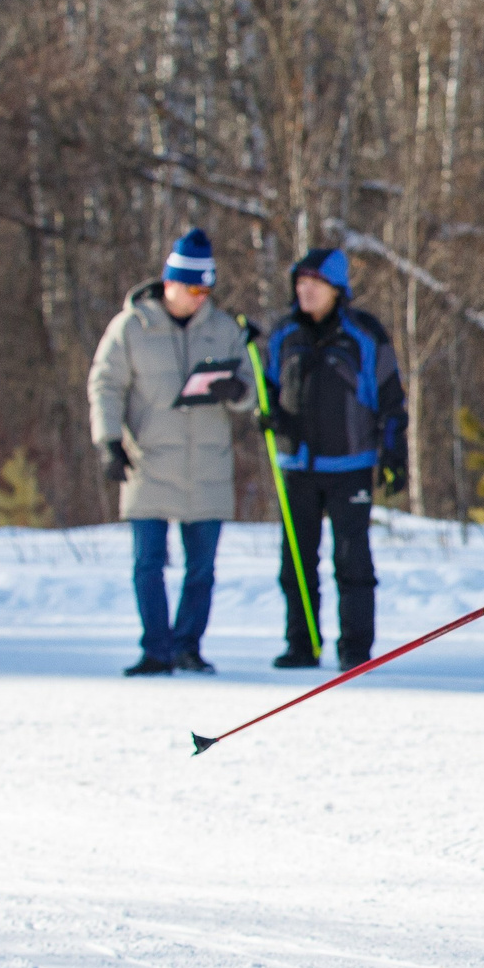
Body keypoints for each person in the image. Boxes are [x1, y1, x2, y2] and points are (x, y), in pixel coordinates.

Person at [87, 228, 254, 676]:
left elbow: (252, 391)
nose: (202, 297)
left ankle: (188, 646)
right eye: (194, 288)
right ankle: (156, 649)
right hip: (150, 461)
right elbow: (105, 383)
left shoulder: (224, 329)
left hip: (208, 466)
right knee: (148, 564)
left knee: (202, 569)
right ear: (171, 283)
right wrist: (108, 442)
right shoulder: (132, 327)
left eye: (208, 289)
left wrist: (238, 389)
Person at [262, 247, 408, 672]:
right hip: (296, 468)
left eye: (314, 284)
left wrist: (394, 453)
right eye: (299, 283)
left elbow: (391, 400)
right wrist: (267, 413)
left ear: (336, 289)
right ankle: (301, 644)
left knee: (352, 559)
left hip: (350, 466)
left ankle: (355, 650)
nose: (304, 291)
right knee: (296, 563)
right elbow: (266, 388)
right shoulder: (283, 334)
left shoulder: (364, 335)